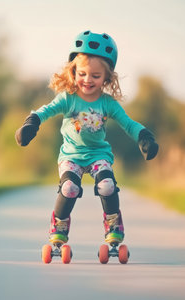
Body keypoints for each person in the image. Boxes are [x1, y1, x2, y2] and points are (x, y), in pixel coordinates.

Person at [15, 30, 159, 246]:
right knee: (69, 188)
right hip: (71, 156)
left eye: (95, 76)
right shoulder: (68, 98)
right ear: (73, 71)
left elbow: (128, 123)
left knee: (107, 185)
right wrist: (31, 123)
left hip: (98, 155)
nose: (87, 80)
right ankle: (59, 225)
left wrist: (144, 137)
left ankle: (113, 223)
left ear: (107, 77)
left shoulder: (107, 103)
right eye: (82, 74)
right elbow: (45, 110)